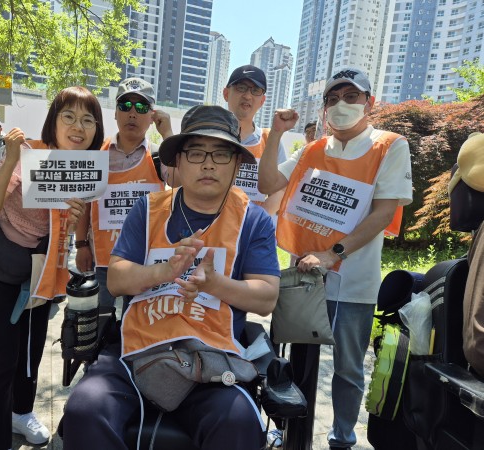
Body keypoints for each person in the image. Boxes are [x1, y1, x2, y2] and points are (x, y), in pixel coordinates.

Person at [61, 105, 281, 450]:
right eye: (196, 153)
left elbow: (267, 297)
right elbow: (116, 279)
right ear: (177, 160)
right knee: (85, 410)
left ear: (237, 163)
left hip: (211, 357)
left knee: (238, 422)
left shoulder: (253, 221)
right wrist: (163, 272)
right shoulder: (148, 208)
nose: (208, 164)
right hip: (136, 350)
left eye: (221, 154)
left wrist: (215, 284)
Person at [258, 67, 412, 450]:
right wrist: (276, 133)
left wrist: (332, 254)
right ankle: (290, 435)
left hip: (353, 283)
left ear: (369, 103)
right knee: (295, 364)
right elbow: (268, 184)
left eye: (351, 96)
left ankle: (341, 439)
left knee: (347, 369)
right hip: (303, 280)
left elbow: (383, 213)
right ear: (325, 107)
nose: (341, 104)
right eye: (333, 98)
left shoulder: (389, 146)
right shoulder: (312, 149)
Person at [0, 86, 104, 450]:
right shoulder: (28, 154)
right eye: (69, 116)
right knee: (1, 361)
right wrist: (10, 160)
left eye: (88, 120)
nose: (78, 127)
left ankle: (22, 412)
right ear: (53, 121)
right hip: (4, 270)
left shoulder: (85, 169)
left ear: (96, 130)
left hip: (45, 272)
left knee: (31, 352)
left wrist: (75, 226)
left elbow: (71, 222)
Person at [75, 77, 176, 309]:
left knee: (138, 327)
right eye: (125, 105)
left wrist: (168, 135)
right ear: (115, 113)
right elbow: (85, 202)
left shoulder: (160, 156)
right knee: (99, 325)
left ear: (152, 115)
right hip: (102, 261)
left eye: (141, 107)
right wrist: (81, 245)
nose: (132, 113)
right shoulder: (96, 154)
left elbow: (182, 181)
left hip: (144, 263)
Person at [223, 64, 287, 218]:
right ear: (226, 93)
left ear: (262, 100)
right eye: (241, 88)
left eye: (256, 90)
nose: (247, 96)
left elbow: (279, 189)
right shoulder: (209, 135)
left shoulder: (270, 141)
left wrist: (256, 220)